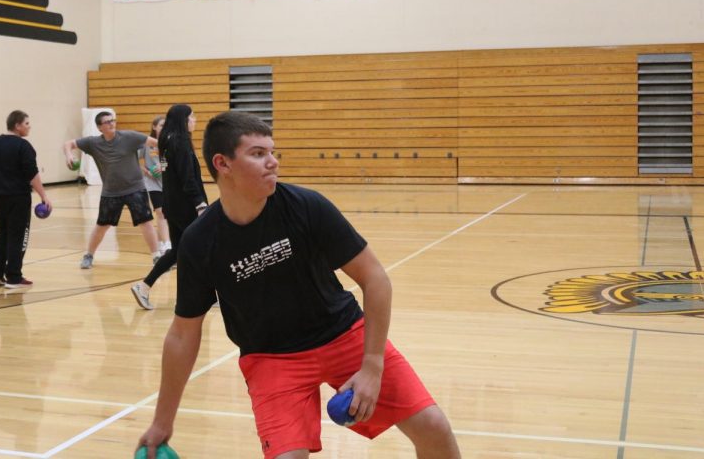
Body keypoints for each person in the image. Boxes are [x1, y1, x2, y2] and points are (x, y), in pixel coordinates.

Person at [136, 111, 461, 459]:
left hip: (343, 336)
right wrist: (162, 421)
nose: (273, 162)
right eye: (258, 153)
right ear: (223, 163)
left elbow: (375, 278)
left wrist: (372, 365)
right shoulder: (201, 241)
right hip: (272, 359)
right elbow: (184, 334)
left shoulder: (306, 206)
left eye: (273, 152)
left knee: (434, 428)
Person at [130, 104, 207, 310]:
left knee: (178, 251)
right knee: (201, 249)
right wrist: (199, 202)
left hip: (171, 204)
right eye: (192, 117)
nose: (195, 120)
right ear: (183, 120)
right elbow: (187, 176)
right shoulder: (180, 142)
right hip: (185, 205)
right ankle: (205, 295)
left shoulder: (167, 140)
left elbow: (169, 174)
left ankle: (144, 287)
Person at [63, 111, 160, 269]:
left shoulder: (129, 137)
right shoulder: (92, 143)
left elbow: (156, 143)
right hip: (111, 191)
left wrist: (163, 162)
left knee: (146, 223)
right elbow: (68, 144)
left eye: (113, 120)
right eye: (107, 122)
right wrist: (69, 155)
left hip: (135, 188)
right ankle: (89, 255)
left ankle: (156, 257)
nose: (112, 123)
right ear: (100, 127)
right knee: (102, 225)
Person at [0, 110, 50, 289]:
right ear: (17, 125)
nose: (29, 126)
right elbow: (32, 174)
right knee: (18, 236)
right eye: (26, 123)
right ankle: (14, 277)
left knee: (2, 233)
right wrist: (44, 196)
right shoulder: (23, 146)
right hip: (18, 198)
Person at [138, 115, 171, 255]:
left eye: (165, 125)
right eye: (161, 125)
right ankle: (166, 244)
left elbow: (174, 160)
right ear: (154, 127)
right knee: (160, 212)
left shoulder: (170, 142)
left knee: (169, 214)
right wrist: (145, 171)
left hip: (169, 183)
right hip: (152, 183)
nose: (163, 128)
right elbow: (134, 159)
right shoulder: (146, 143)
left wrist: (163, 166)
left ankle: (166, 239)